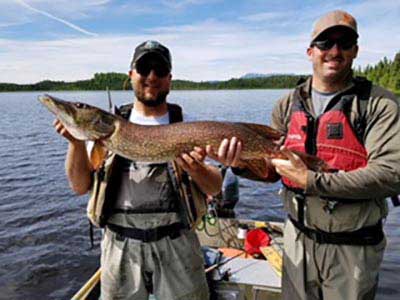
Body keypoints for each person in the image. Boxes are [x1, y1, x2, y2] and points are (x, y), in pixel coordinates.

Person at [207, 10, 400, 300]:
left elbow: (392, 174)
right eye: (325, 43)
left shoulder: (379, 105)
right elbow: (270, 171)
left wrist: (311, 180)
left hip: (353, 249)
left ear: (355, 50)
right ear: (311, 52)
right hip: (297, 241)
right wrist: (240, 165)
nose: (334, 51)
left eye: (344, 42)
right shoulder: (287, 104)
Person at [53, 40, 222, 300]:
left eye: (160, 70)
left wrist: (197, 169)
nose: (152, 77)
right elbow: (79, 186)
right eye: (144, 68)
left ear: (170, 79)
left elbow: (215, 187)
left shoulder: (187, 125)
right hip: (120, 247)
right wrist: (76, 142)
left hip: (177, 244)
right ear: (131, 74)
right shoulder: (106, 126)